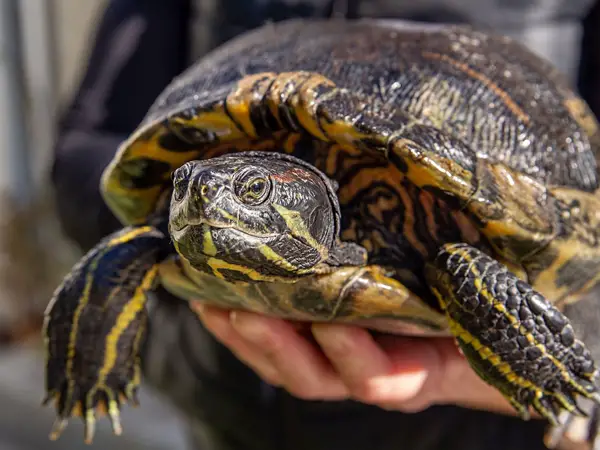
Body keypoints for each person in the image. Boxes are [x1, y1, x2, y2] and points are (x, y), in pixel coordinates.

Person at [51, 1, 600, 449]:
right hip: (229, 410)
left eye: (250, 194)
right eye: (192, 188)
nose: (202, 198)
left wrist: (575, 384)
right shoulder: (183, 216)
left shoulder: (443, 239)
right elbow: (88, 146)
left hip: (486, 435)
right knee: (132, 246)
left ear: (312, 202)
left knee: (462, 267)